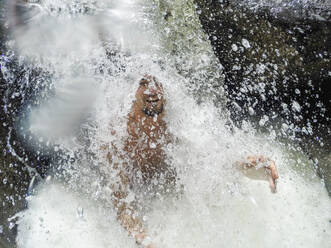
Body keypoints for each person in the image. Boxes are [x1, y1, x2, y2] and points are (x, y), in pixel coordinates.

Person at [102, 75, 278, 248]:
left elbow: (217, 161)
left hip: (169, 195)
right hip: (136, 200)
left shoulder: (178, 121)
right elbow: (120, 200)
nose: (152, 90)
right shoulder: (118, 133)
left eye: (157, 83)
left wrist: (252, 164)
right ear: (133, 89)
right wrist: (141, 236)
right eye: (143, 83)